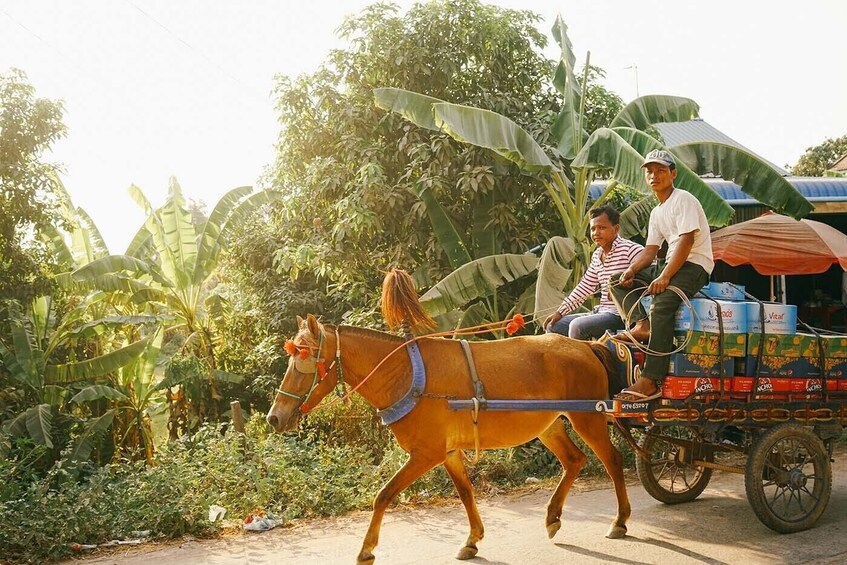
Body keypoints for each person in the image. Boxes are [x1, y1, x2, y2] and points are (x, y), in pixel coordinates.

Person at [610, 149, 713, 401]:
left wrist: (665, 276)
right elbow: (650, 250)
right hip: (671, 263)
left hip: (695, 265)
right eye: (650, 171)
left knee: (663, 304)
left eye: (661, 170)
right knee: (616, 280)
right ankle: (642, 324)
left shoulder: (684, 199)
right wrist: (631, 270)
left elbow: (687, 241)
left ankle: (651, 380)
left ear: (673, 173)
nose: (654, 175)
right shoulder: (657, 212)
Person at [545, 205, 643, 340]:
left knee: (578, 326)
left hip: (622, 316)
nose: (596, 233)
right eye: (593, 229)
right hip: (602, 311)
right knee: (553, 326)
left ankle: (580, 361)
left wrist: (623, 285)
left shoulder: (632, 250)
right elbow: (585, 287)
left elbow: (648, 278)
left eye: (602, 228)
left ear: (616, 229)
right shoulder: (597, 255)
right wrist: (560, 312)